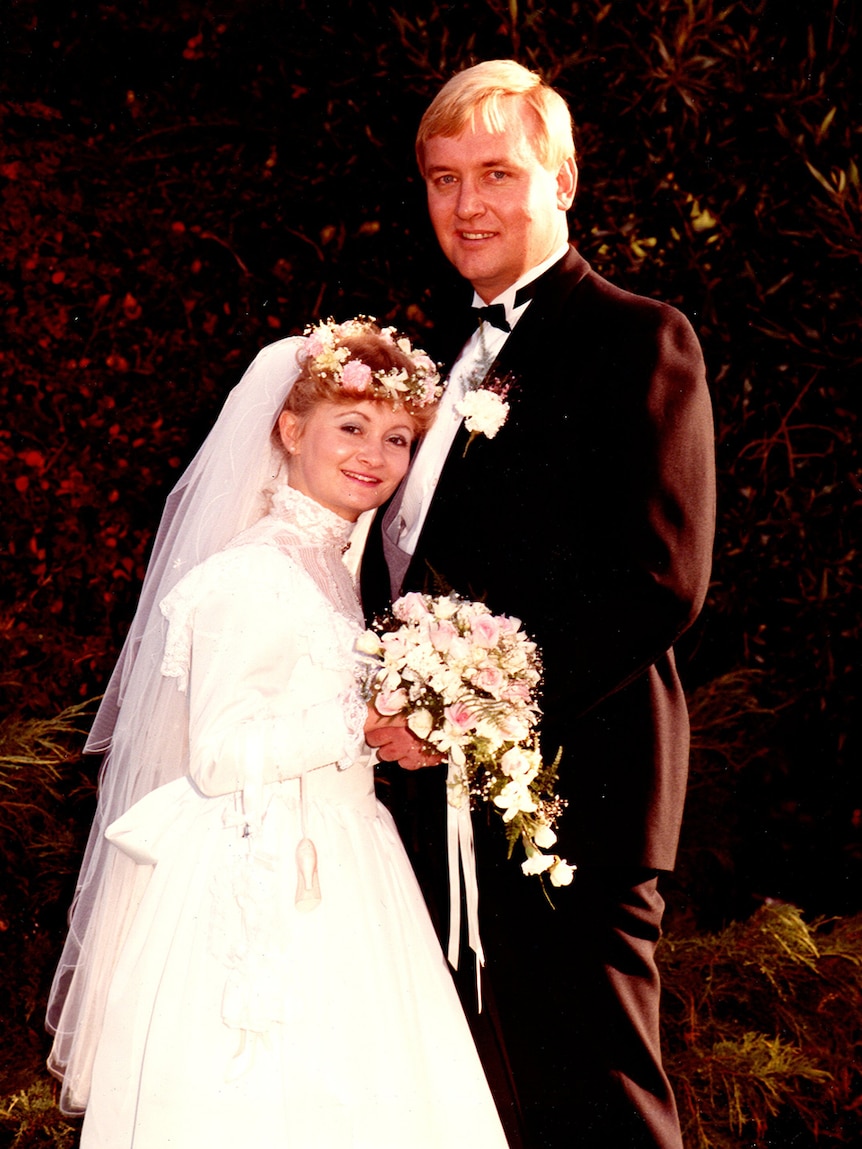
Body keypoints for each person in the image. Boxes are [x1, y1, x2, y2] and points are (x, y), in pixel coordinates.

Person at [361, 61, 717, 1148]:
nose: (467, 206)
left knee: (596, 1110)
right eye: (442, 179)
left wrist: (455, 712)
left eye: (497, 174)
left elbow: (660, 583)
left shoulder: (637, 337)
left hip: (572, 799)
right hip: (414, 813)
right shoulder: (420, 362)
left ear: (562, 176)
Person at [45, 318, 509, 1149]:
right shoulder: (252, 570)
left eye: (398, 437)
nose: (375, 452)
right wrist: (356, 721)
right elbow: (219, 754)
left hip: (345, 852)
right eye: (352, 426)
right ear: (291, 430)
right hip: (269, 875)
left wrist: (391, 732)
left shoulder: (332, 568)